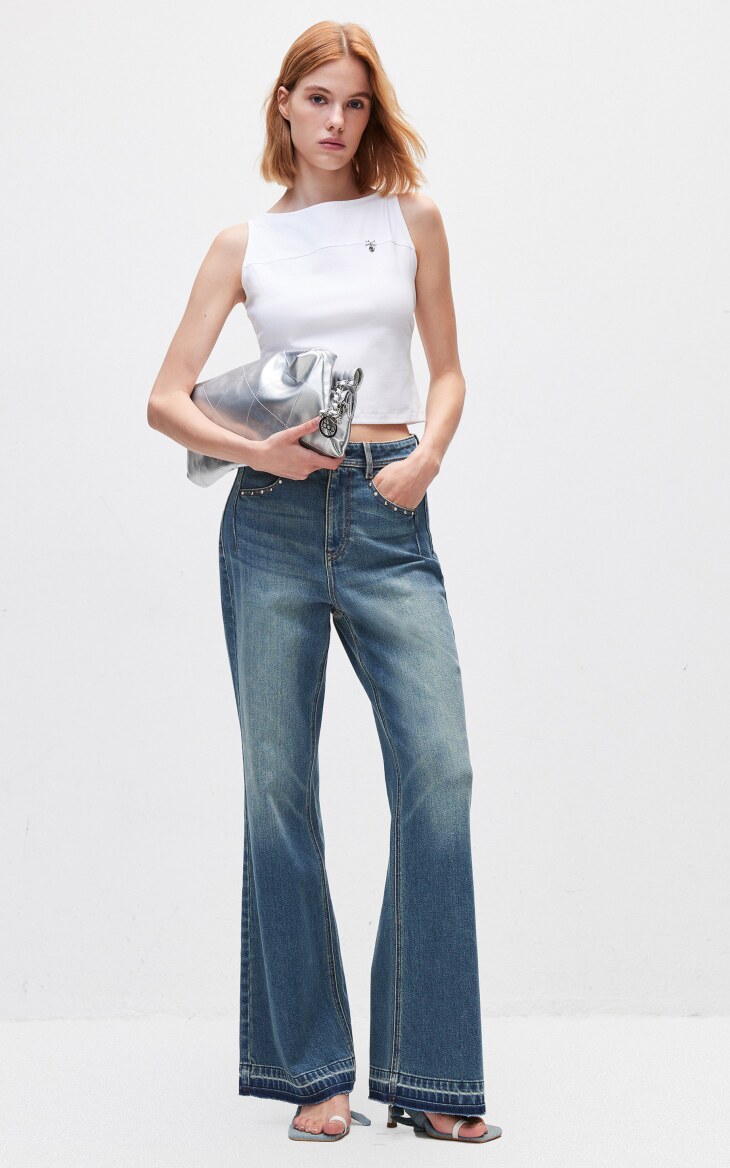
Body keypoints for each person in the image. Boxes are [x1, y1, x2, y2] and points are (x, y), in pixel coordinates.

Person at [147, 20, 501, 1147]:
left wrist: (427, 456)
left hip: (390, 510)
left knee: (439, 773)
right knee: (278, 789)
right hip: (272, 520)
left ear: (369, 111)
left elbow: (447, 370)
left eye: (354, 103)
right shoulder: (244, 242)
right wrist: (257, 451)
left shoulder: (412, 220)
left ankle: (430, 1072)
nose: (337, 122)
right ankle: (313, 1069)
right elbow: (166, 399)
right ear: (285, 106)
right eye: (318, 101)